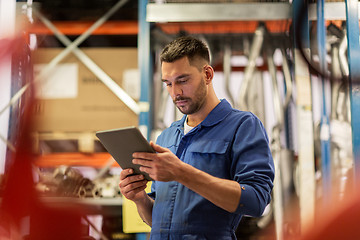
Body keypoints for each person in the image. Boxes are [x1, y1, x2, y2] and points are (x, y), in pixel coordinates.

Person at [119, 36, 274, 240]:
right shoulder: (167, 136)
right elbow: (157, 219)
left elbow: (255, 201)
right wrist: (139, 199)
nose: (176, 93)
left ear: (207, 74)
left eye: (182, 81)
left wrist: (180, 172)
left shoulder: (242, 126)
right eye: (168, 84)